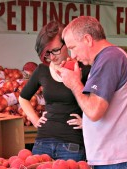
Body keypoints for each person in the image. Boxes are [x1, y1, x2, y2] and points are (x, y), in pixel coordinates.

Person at [60, 16, 127, 169]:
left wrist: (75, 84)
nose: (73, 56)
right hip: (115, 158)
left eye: (72, 48)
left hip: (118, 159)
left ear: (87, 39)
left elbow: (94, 110)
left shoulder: (109, 59)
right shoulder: (109, 58)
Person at [18, 21, 90, 161]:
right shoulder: (42, 70)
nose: (52, 57)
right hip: (43, 140)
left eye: (56, 50)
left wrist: (87, 123)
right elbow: (23, 98)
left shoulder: (83, 69)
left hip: (72, 142)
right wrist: (35, 119)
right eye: (47, 53)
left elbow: (99, 102)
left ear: (67, 44)